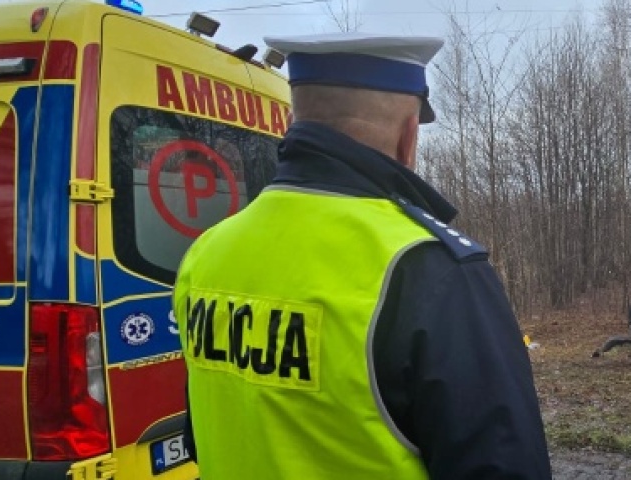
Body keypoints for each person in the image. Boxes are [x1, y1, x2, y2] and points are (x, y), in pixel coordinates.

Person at [173, 32, 552, 479]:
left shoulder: (206, 253)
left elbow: (207, 429)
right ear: (409, 135)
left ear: (296, 120)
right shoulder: (427, 268)